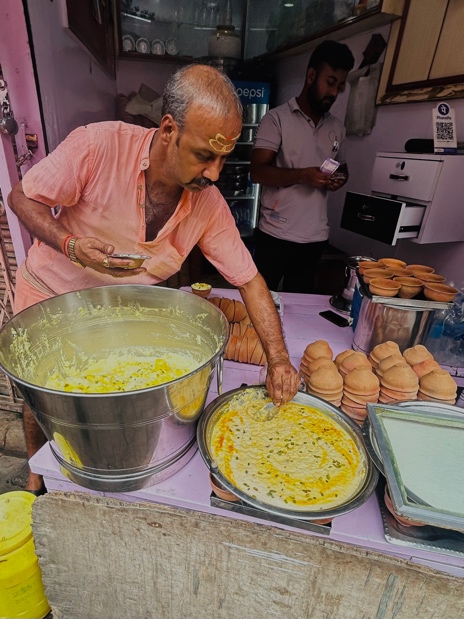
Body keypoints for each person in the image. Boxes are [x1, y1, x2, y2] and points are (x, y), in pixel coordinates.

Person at [7, 64, 300, 494]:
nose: (216, 172)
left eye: (224, 158)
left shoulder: (207, 203)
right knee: (43, 400)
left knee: (108, 399)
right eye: (205, 155)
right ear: (168, 130)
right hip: (52, 298)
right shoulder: (97, 146)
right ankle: (37, 478)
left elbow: (250, 280)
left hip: (119, 315)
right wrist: (71, 245)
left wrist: (278, 359)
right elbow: (21, 197)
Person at [250, 40, 355, 293]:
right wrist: (303, 176)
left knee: (300, 306)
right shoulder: (276, 120)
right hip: (275, 233)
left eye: (340, 86)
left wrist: (340, 177)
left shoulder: (337, 127)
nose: (334, 92)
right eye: (330, 82)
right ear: (311, 76)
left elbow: (343, 166)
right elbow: (258, 172)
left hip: (315, 237)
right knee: (260, 302)